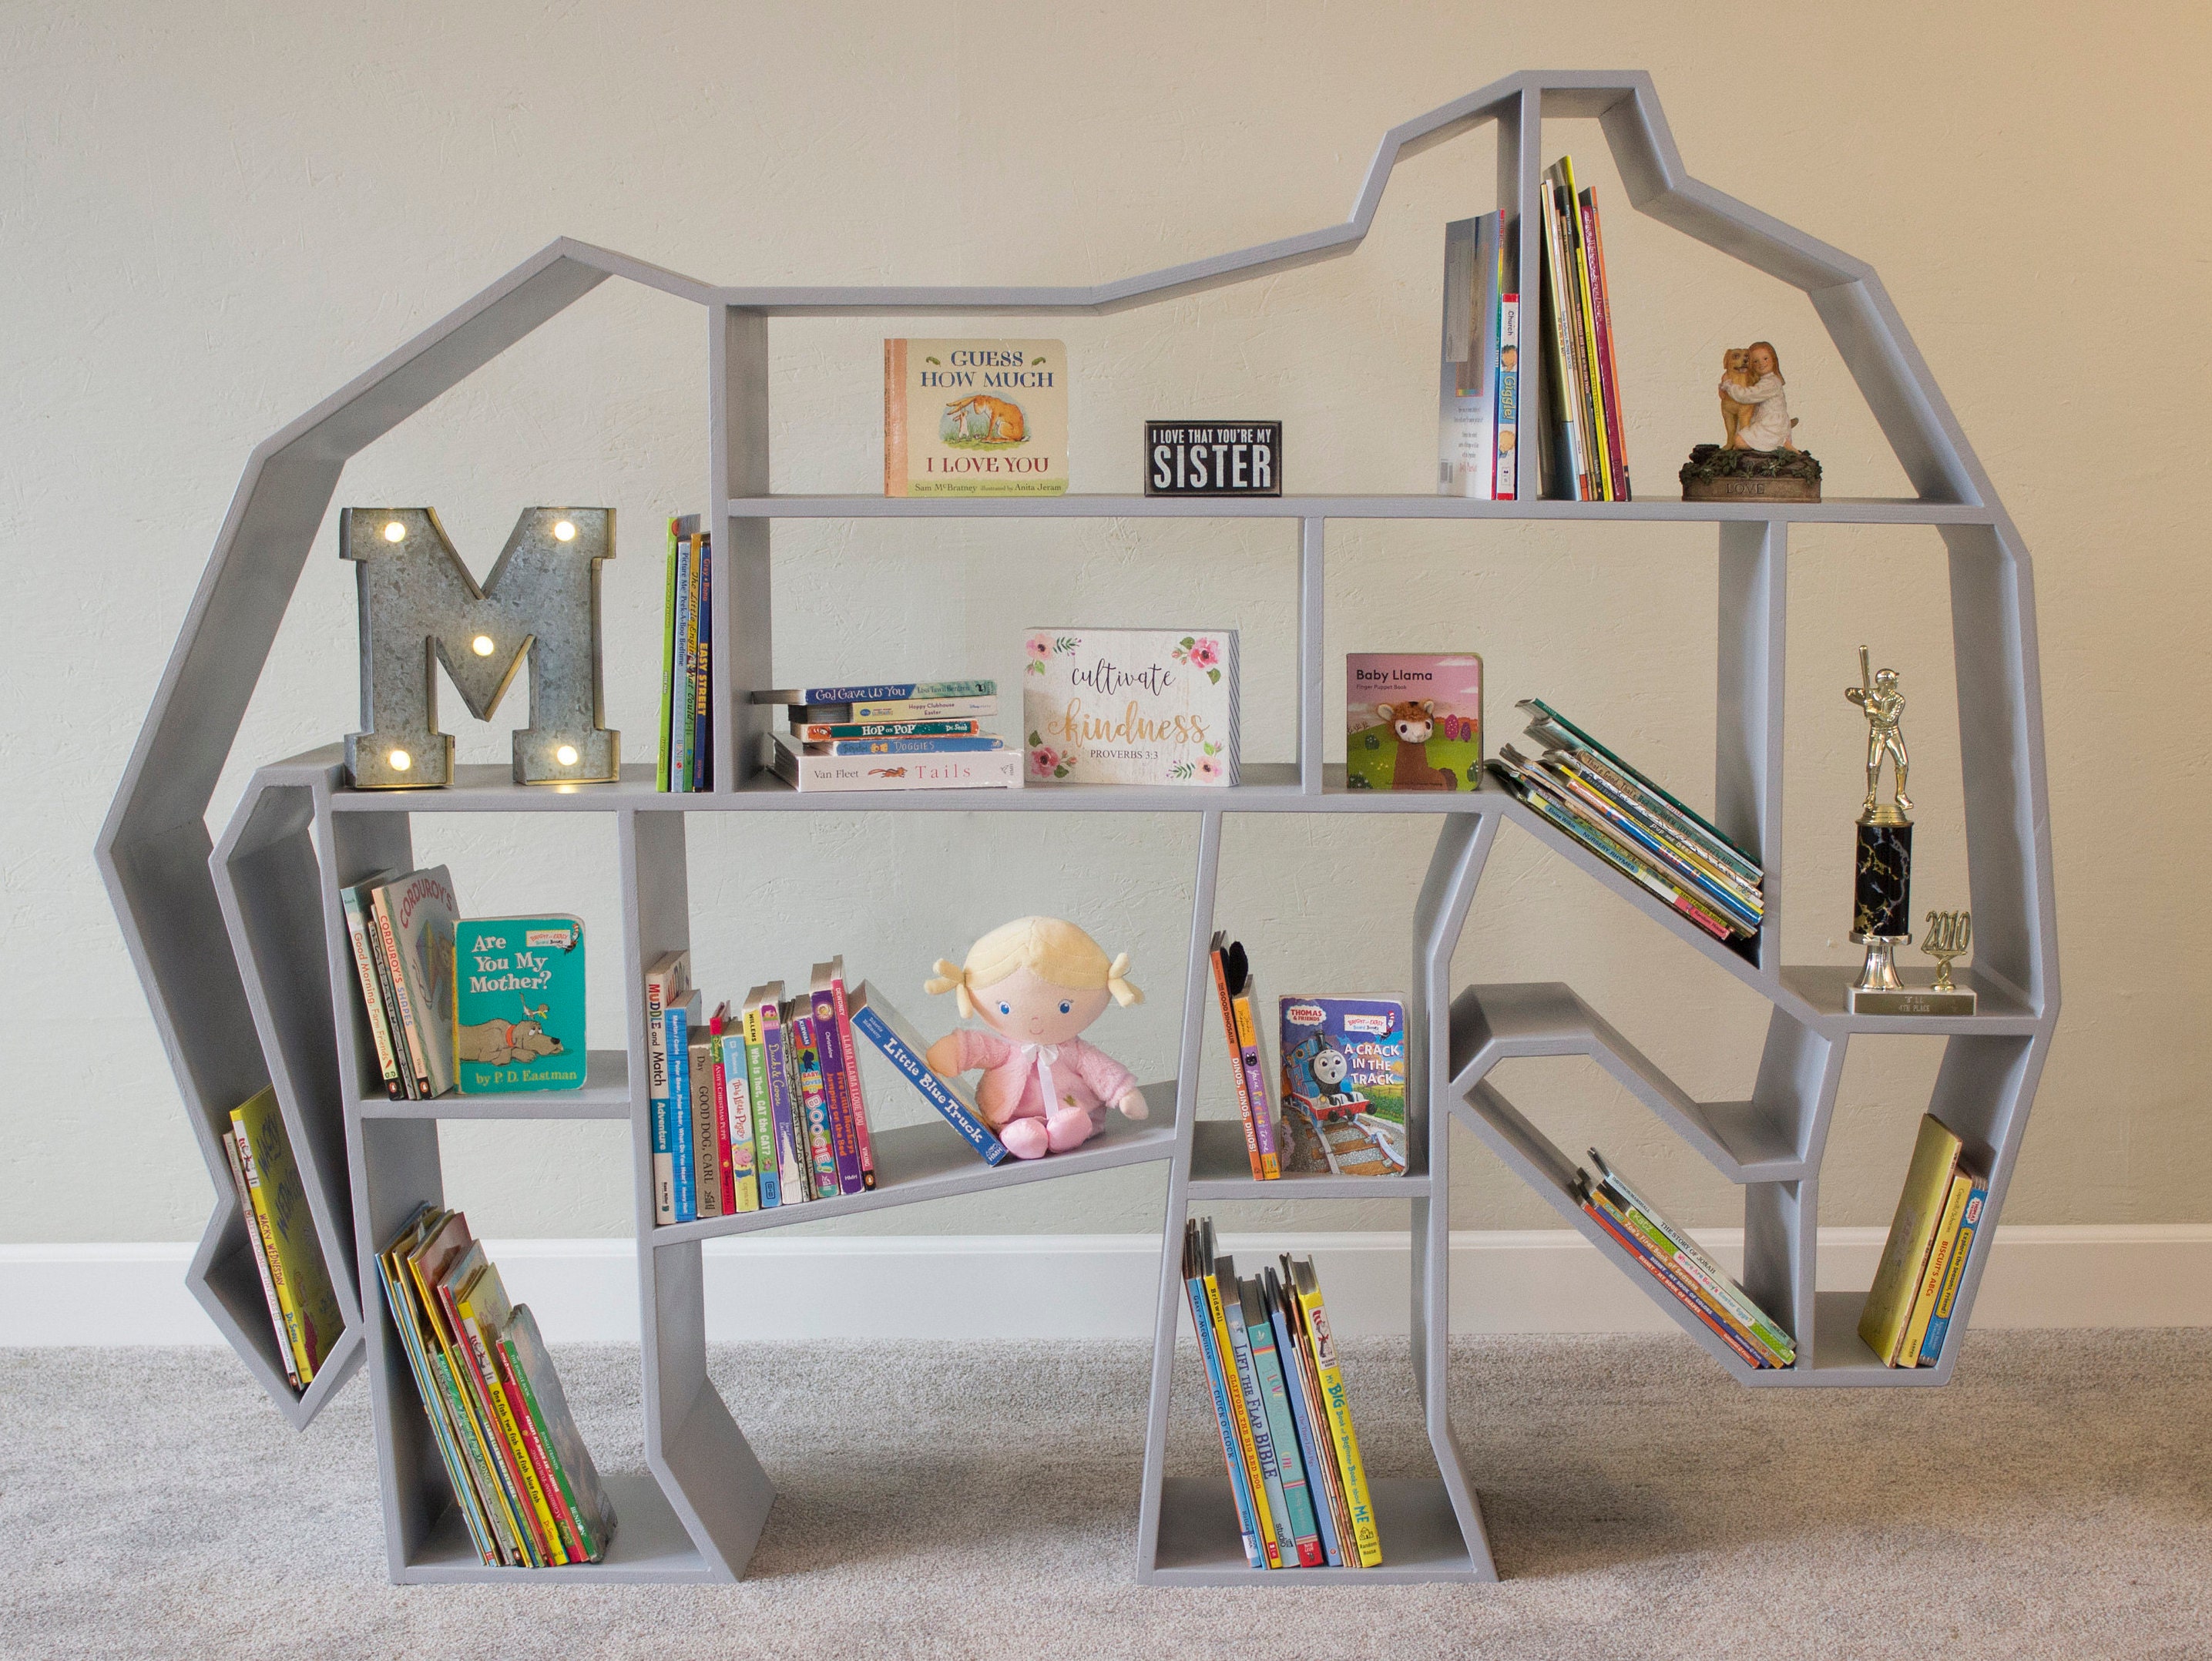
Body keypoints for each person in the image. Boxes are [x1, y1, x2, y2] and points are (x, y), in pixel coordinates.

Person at [1719, 341, 1797, 451]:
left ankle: (1782, 441)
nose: (1761, 363)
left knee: (1739, 442)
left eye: (1765, 359)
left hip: (1771, 424)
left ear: (1773, 360)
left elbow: (1746, 396)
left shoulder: (1771, 383)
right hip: (1763, 420)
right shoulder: (1762, 380)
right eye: (1755, 361)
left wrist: (1728, 385)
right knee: (1740, 434)